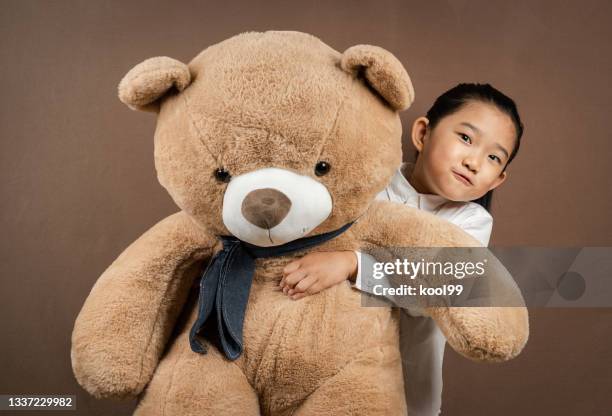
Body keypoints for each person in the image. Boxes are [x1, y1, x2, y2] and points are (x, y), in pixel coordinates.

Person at [278, 83, 524, 415]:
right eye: (465, 138)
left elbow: (435, 292)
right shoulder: (371, 183)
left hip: (407, 386)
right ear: (423, 133)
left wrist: (353, 264)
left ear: (498, 179)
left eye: (493, 157)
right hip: (326, 362)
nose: (474, 161)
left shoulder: (470, 224)